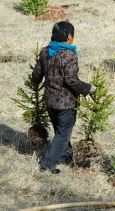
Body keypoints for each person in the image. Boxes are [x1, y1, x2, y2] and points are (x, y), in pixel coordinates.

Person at [31, 21, 93, 173]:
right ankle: (46, 165)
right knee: (63, 135)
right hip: (65, 104)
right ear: (69, 37)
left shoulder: (45, 51)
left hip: (50, 101)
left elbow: (36, 75)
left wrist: (37, 81)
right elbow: (72, 81)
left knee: (60, 132)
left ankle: (66, 157)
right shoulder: (69, 55)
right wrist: (89, 89)